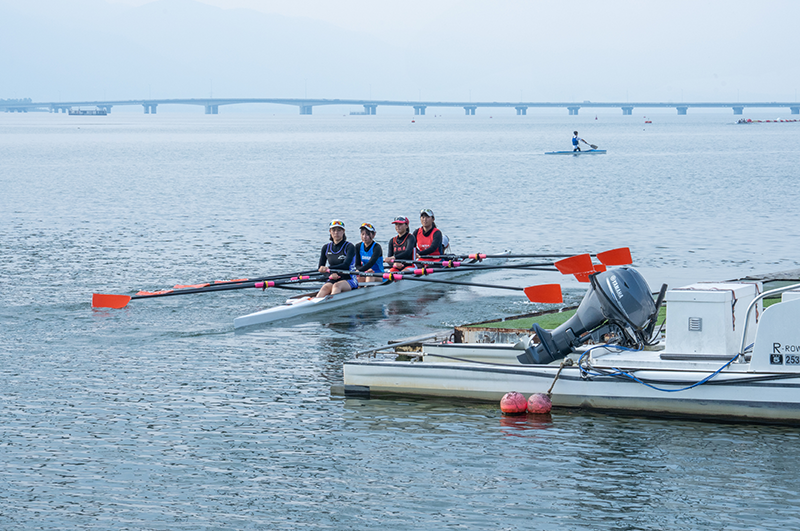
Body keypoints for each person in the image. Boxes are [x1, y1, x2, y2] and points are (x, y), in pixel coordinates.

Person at [316, 220, 357, 297]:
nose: (336, 233)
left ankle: (331, 304)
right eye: (333, 230)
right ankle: (314, 306)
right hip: (333, 277)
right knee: (324, 288)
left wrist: (329, 268)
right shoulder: (325, 248)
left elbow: (345, 265)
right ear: (330, 231)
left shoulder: (349, 247)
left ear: (343, 231)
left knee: (336, 286)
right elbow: (320, 268)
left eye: (339, 230)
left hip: (349, 278)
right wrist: (330, 275)